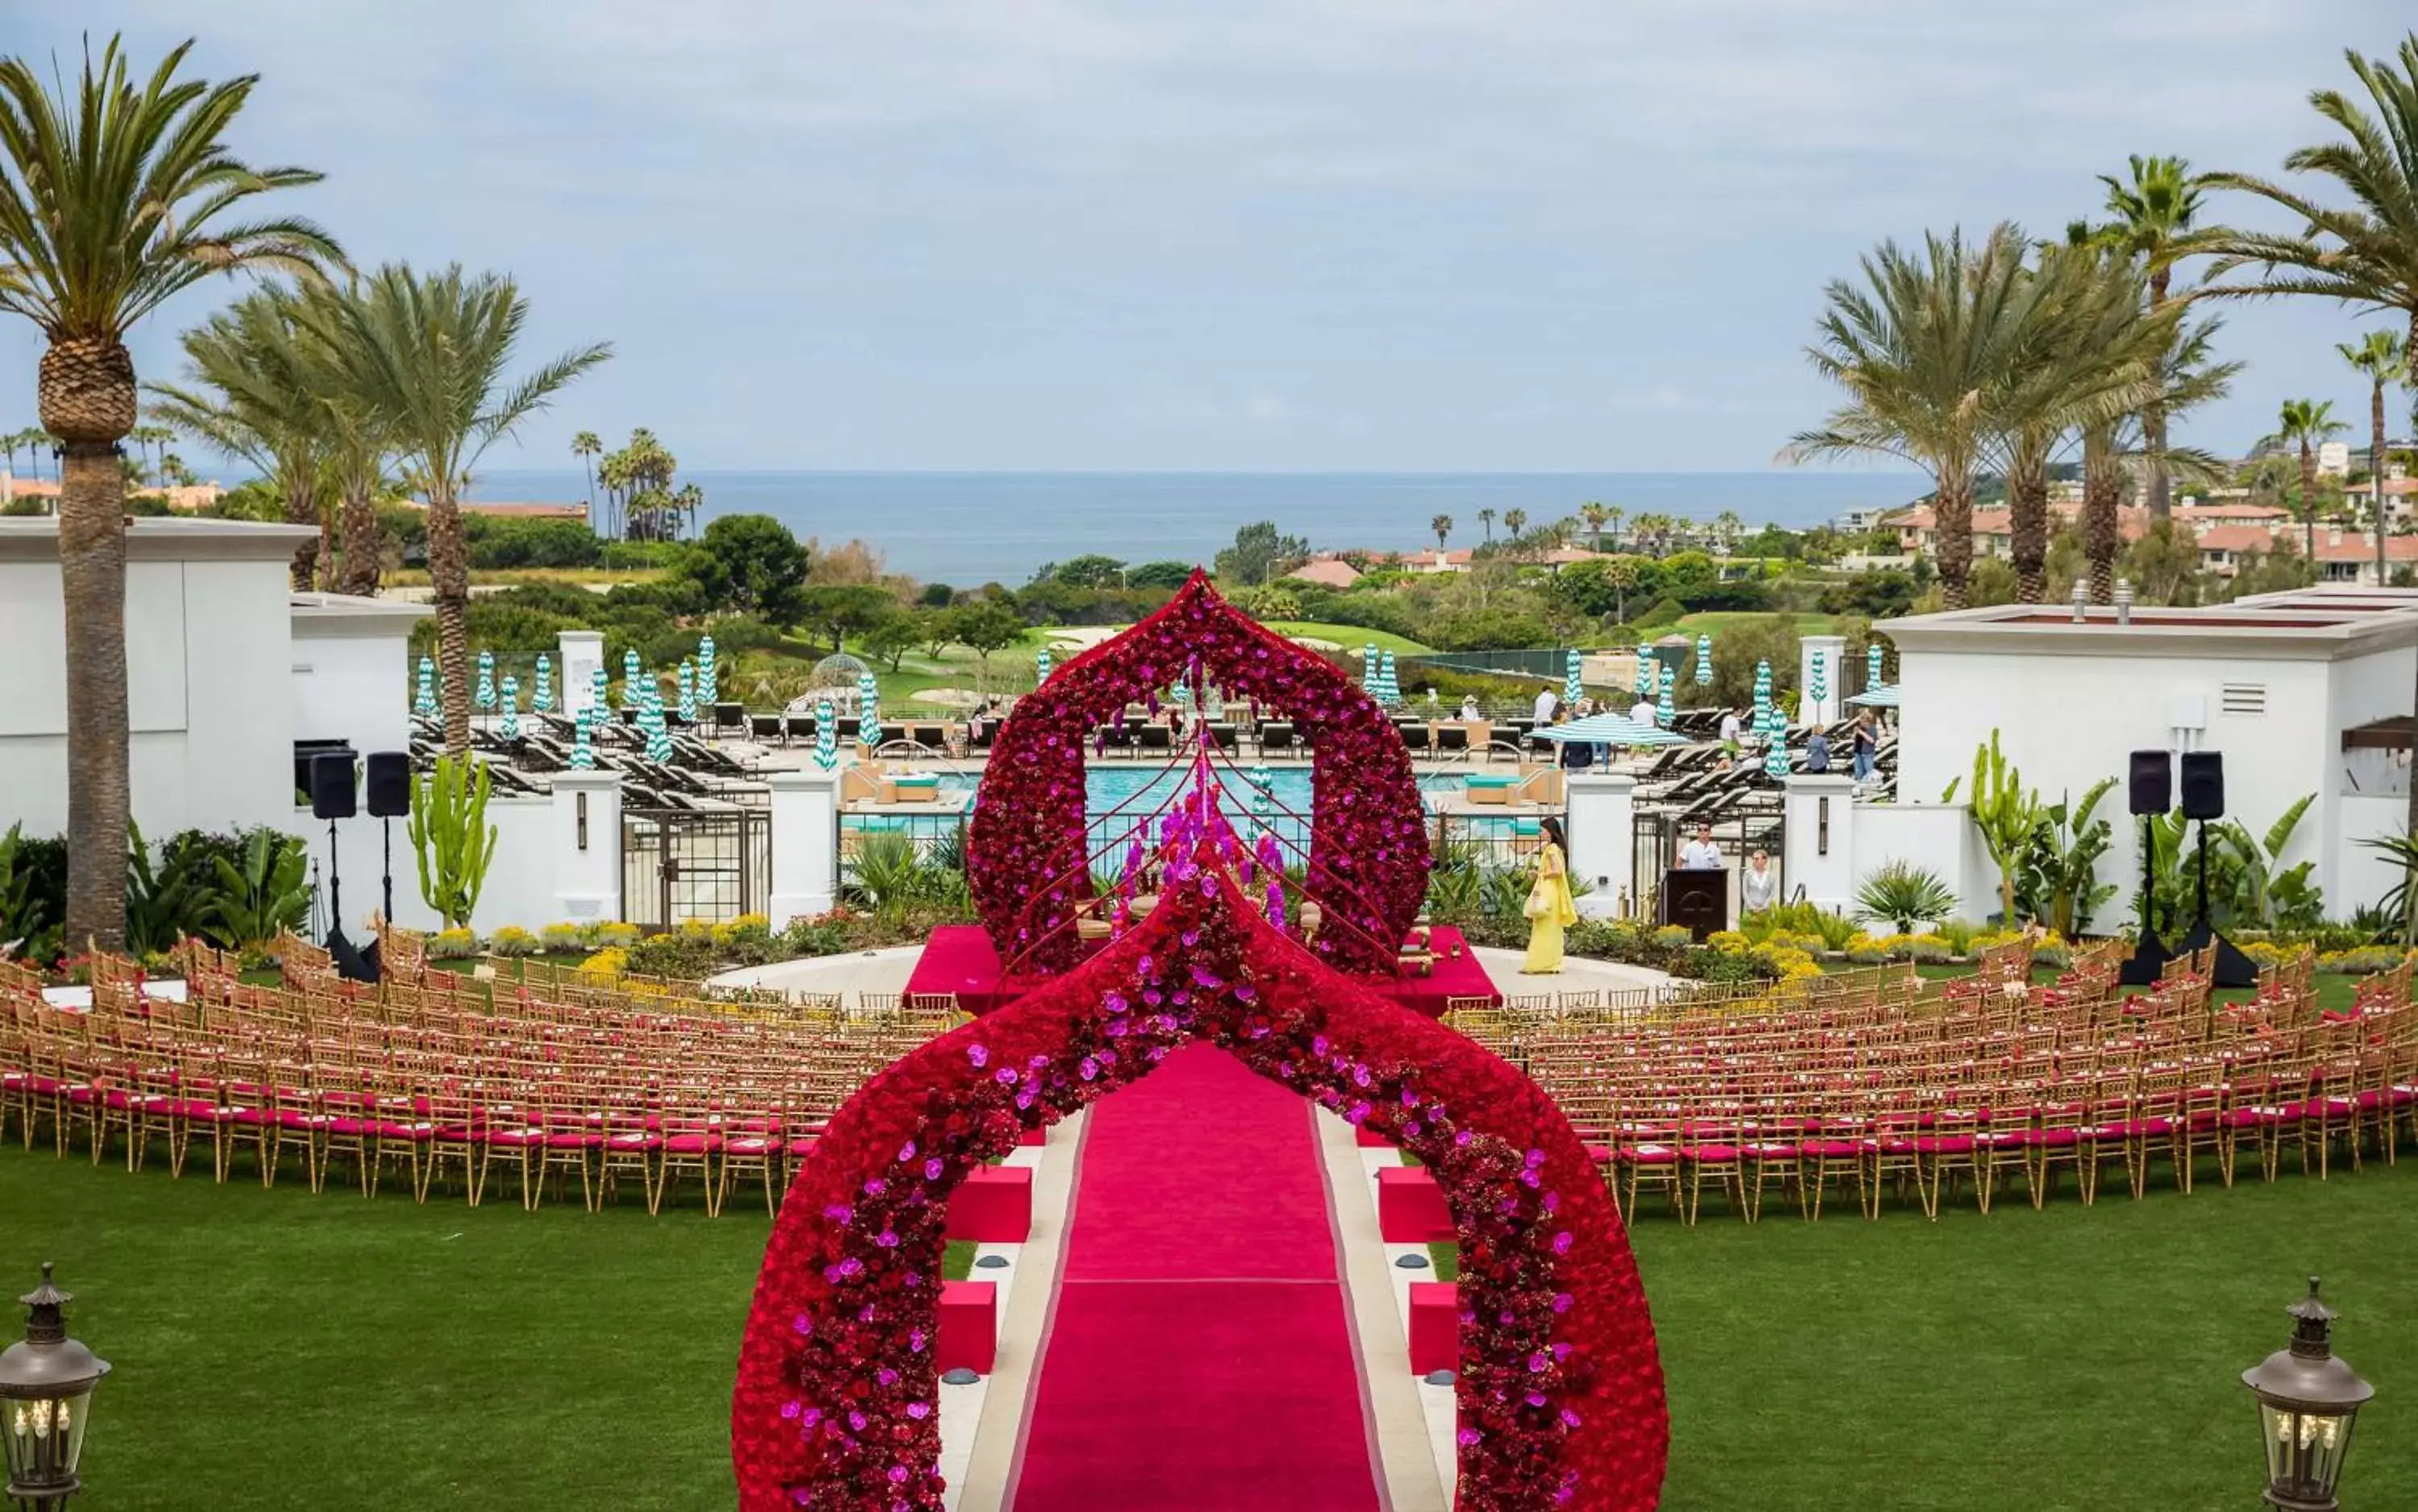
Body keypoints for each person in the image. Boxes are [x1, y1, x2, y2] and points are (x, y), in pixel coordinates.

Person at [1522, 816, 1579, 973]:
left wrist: (1539, 874)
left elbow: (1557, 872)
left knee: (1543, 926)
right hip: (1551, 889)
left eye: (1542, 831)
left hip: (1548, 889)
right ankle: (1549, 962)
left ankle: (1540, 963)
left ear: (1550, 832)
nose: (1541, 834)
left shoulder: (1552, 849)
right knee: (1550, 927)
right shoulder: (1557, 849)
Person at [1741, 847, 1778, 912]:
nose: (1754, 861)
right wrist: (1751, 907)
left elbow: (1772, 893)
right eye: (1753, 859)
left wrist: (1764, 907)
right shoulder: (1748, 874)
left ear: (1764, 860)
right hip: (1750, 909)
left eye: (1757, 859)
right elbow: (1745, 891)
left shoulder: (1771, 876)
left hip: (1764, 910)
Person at [1851, 708, 1879, 781]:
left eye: (1861, 719)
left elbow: (1872, 741)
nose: (1860, 720)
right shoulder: (1860, 728)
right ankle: (1860, 784)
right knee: (1858, 771)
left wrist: (1861, 733)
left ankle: (1869, 786)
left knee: (1869, 772)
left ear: (1866, 720)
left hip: (1867, 753)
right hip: (1858, 752)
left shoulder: (1872, 728)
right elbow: (1853, 738)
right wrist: (1855, 732)